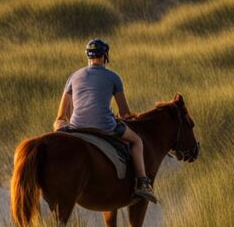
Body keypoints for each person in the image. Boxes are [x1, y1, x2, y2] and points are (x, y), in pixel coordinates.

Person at [53, 39, 158, 203]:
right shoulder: (114, 77)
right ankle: (142, 183)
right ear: (105, 56)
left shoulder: (74, 76)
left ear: (88, 55)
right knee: (137, 141)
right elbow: (124, 113)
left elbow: (61, 114)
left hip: (76, 127)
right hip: (105, 126)